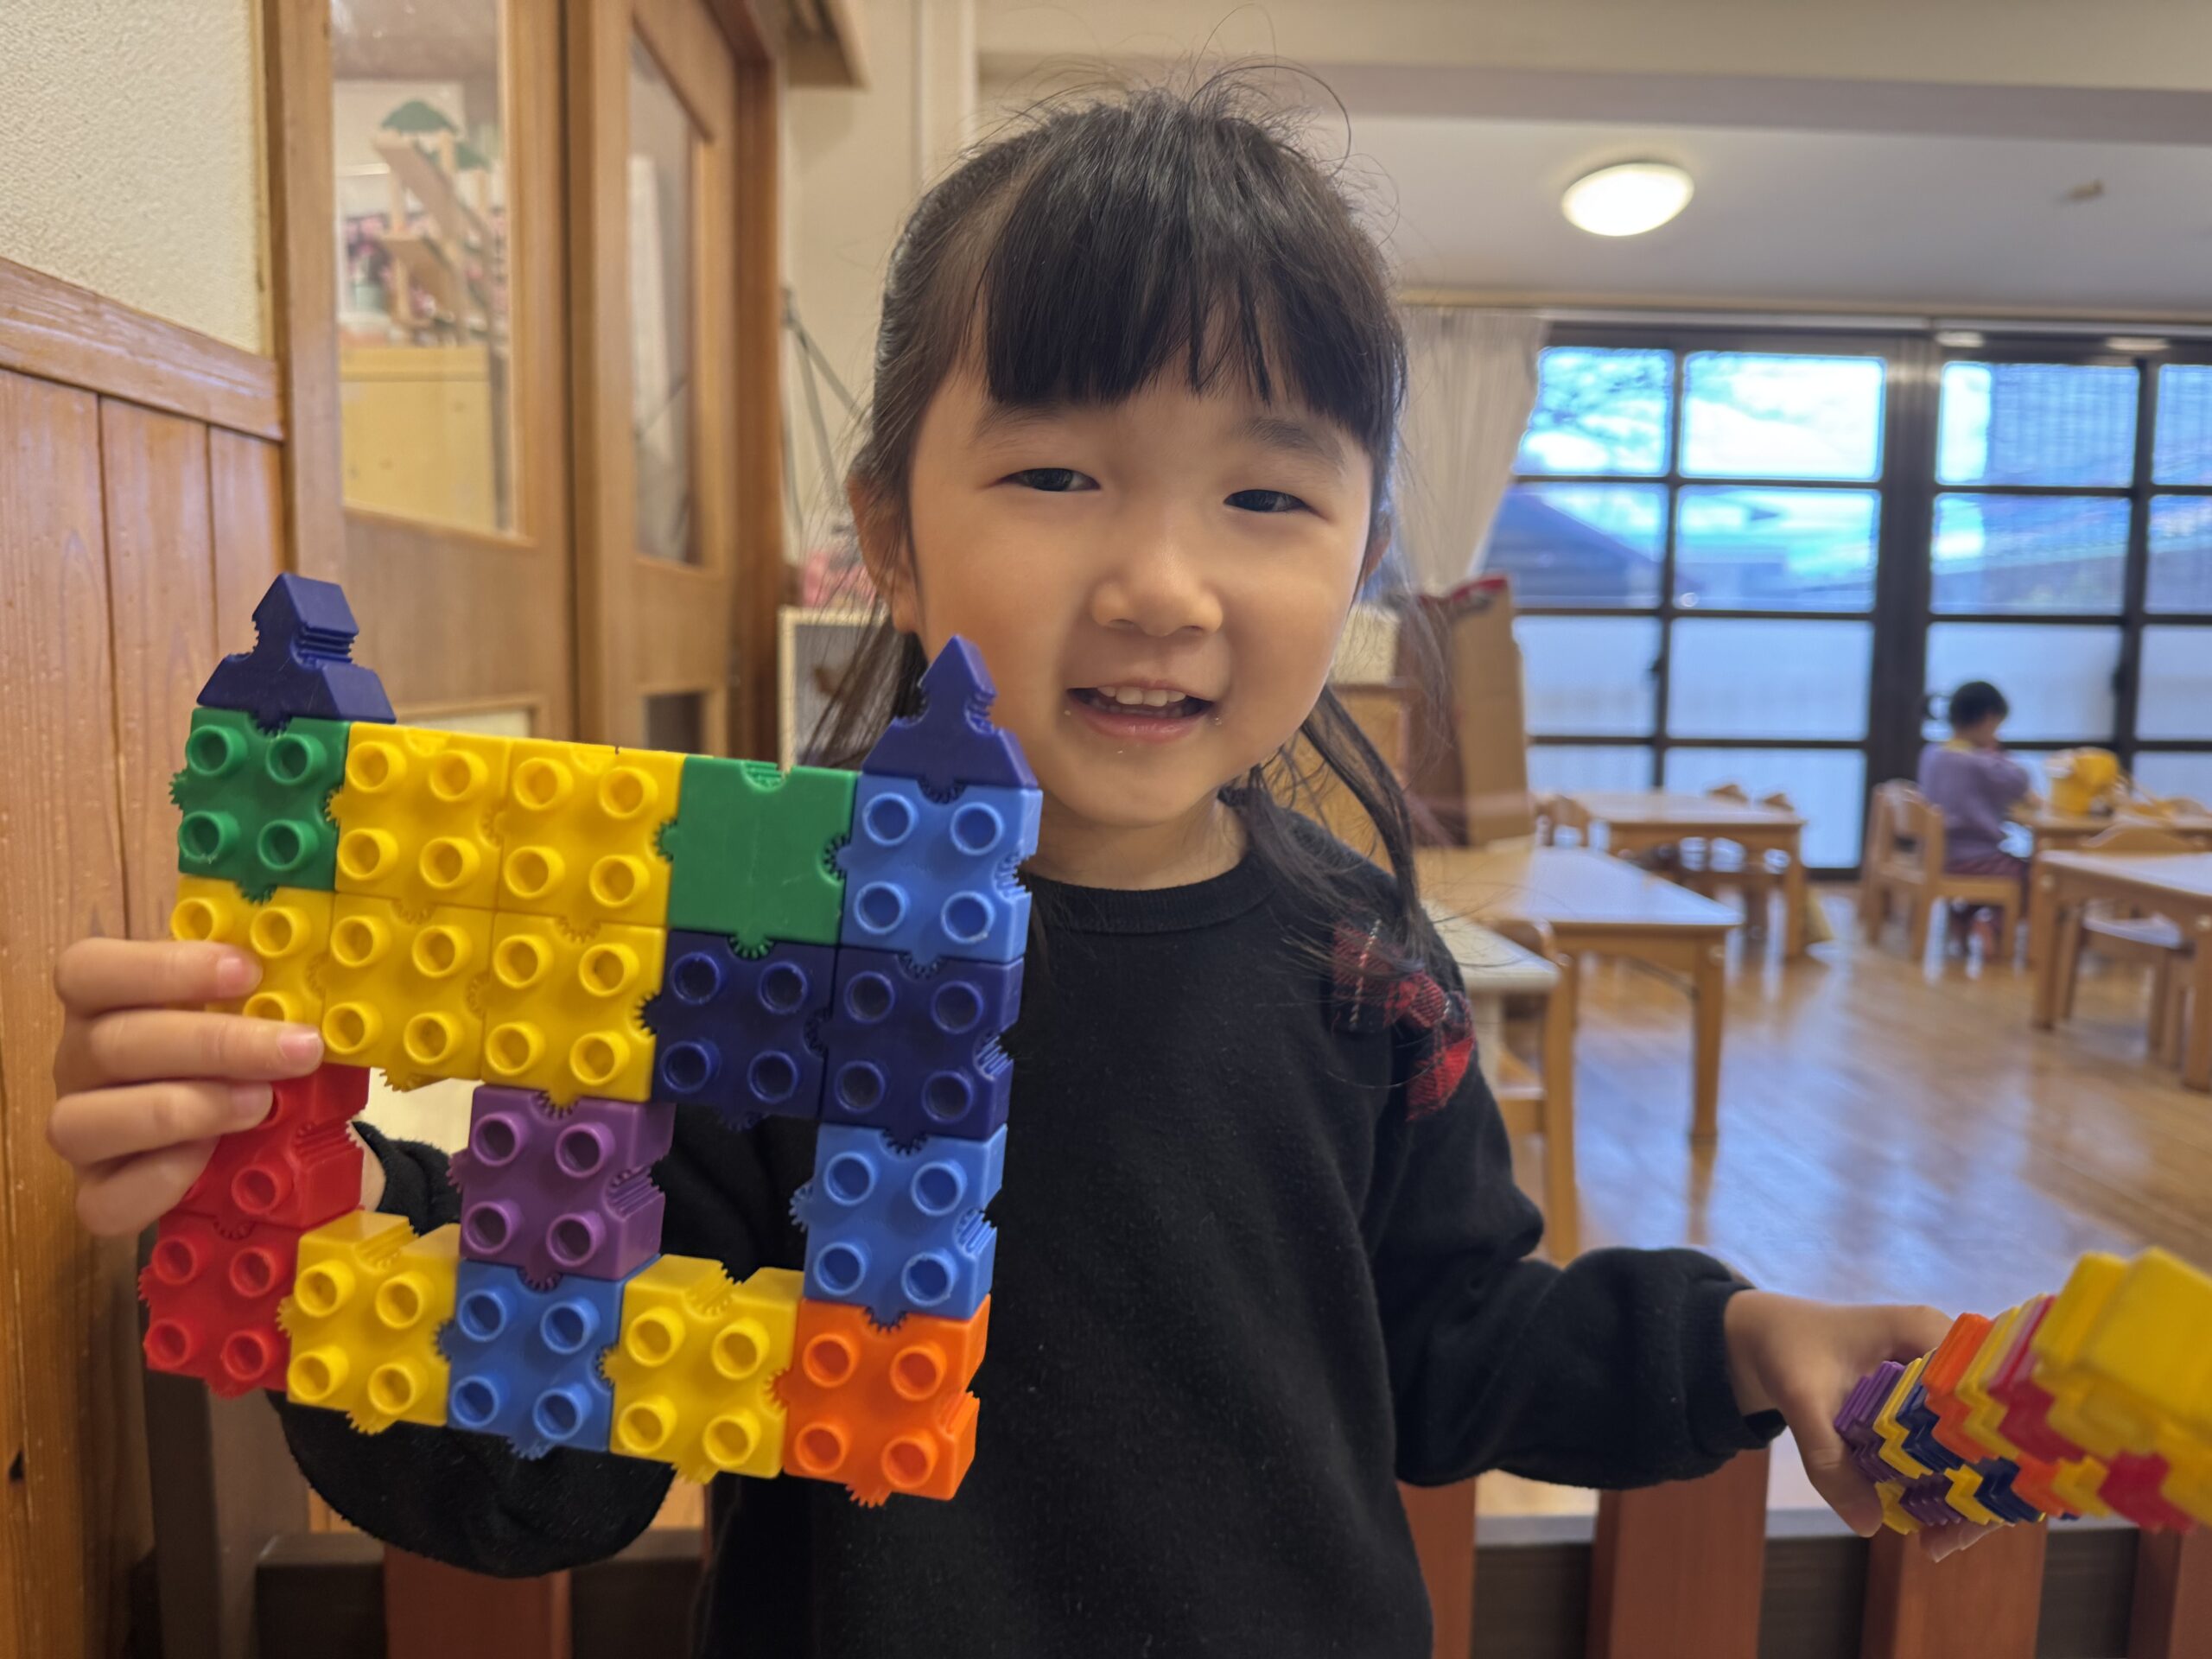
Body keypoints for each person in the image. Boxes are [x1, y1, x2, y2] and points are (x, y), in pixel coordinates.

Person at [47, 80, 1971, 1658]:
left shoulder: (1361, 960)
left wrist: (1735, 1338)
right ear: (889, 533)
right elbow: (546, 1460)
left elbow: (1458, 1345)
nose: (1161, 582)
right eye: (1057, 474)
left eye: (1267, 493)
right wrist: (302, 1201)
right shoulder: (759, 943)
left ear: (1363, 554)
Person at [1918, 680, 2036, 952]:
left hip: (1937, 855)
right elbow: (2019, 781)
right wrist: (1995, 751)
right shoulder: (1976, 762)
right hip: (1974, 858)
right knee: (2035, 875)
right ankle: (1991, 925)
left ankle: (1963, 917)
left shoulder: (1933, 753)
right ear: (1988, 719)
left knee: (2007, 869)